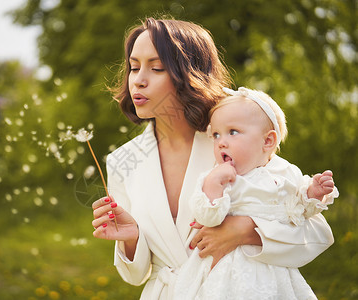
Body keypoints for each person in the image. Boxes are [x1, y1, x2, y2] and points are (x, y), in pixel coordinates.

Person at [91, 17, 335, 299]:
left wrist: (247, 231)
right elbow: (136, 275)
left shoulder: (231, 141)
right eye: (134, 67)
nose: (139, 80)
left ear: (189, 72)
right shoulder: (123, 161)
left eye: (156, 67)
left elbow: (316, 230)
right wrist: (133, 238)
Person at [173, 87, 339, 299]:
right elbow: (206, 217)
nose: (221, 141)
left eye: (233, 132)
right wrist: (214, 185)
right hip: (224, 270)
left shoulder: (285, 174)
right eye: (216, 134)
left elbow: (298, 213)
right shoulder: (216, 177)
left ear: (267, 141)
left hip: (271, 268)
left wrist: (313, 193)